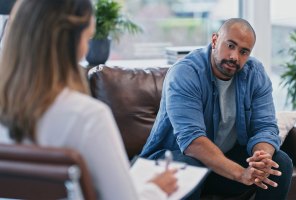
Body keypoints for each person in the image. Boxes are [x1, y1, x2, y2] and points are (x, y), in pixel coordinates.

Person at [0, 0, 178, 199]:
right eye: (87, 38)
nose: (86, 49)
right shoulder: (87, 116)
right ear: (69, 44)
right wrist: (155, 188)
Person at [140, 18, 293, 200]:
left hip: (221, 165)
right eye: (230, 45)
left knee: (279, 163)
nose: (234, 56)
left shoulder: (255, 74)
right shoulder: (185, 73)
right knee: (186, 166)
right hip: (172, 163)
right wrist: (240, 173)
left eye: (244, 52)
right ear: (214, 40)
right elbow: (193, 142)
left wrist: (261, 159)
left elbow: (265, 127)